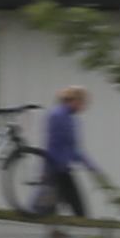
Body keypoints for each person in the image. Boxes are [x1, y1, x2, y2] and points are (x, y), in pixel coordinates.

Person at [30, 84, 95, 219]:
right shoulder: (61, 116)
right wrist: (90, 166)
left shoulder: (67, 117)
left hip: (59, 167)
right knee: (75, 208)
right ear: (74, 101)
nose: (84, 107)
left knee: (48, 207)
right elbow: (65, 145)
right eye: (82, 103)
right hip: (57, 168)